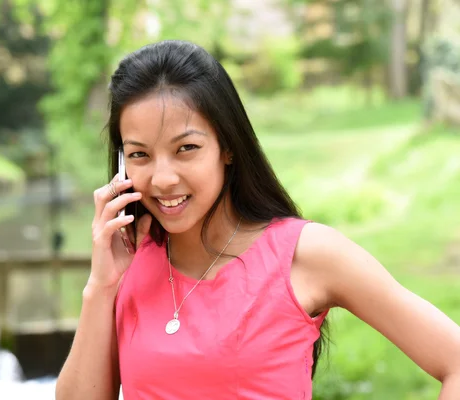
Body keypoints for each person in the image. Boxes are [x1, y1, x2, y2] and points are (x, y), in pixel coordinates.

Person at [55, 40, 460, 399]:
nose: (162, 178)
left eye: (186, 149)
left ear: (227, 146)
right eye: (140, 154)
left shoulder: (306, 254)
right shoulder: (128, 259)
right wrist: (101, 286)